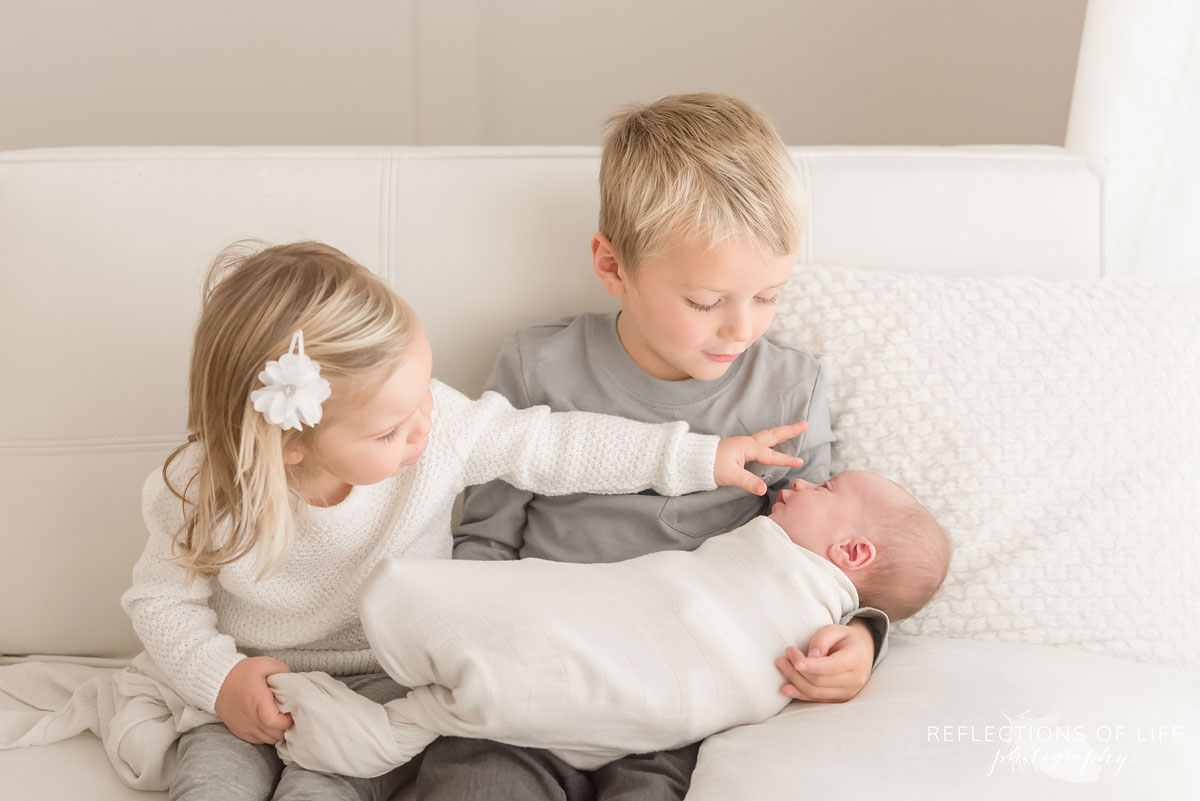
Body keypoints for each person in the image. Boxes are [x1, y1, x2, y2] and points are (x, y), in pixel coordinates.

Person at [119, 239, 810, 801]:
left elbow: (553, 445)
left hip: (387, 680)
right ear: (290, 443)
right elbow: (159, 601)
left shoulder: (438, 423)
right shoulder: (200, 490)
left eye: (423, 394)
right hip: (247, 679)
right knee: (212, 784)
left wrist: (698, 457)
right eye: (392, 428)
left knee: (322, 787)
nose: (424, 428)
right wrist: (219, 680)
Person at [416, 92, 890, 801]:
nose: (741, 328)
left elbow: (819, 566)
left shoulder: (790, 388)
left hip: (682, 703)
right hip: (536, 681)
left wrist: (862, 637)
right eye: (706, 301)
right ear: (613, 267)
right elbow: (485, 541)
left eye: (769, 295)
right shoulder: (540, 366)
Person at [271, 469, 951, 779]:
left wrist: (865, 634)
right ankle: (414, 709)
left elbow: (847, 608)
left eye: (826, 490)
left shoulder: (809, 586)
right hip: (615, 629)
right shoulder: (544, 358)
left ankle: (414, 709)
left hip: (675, 715)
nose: (799, 484)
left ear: (852, 553)